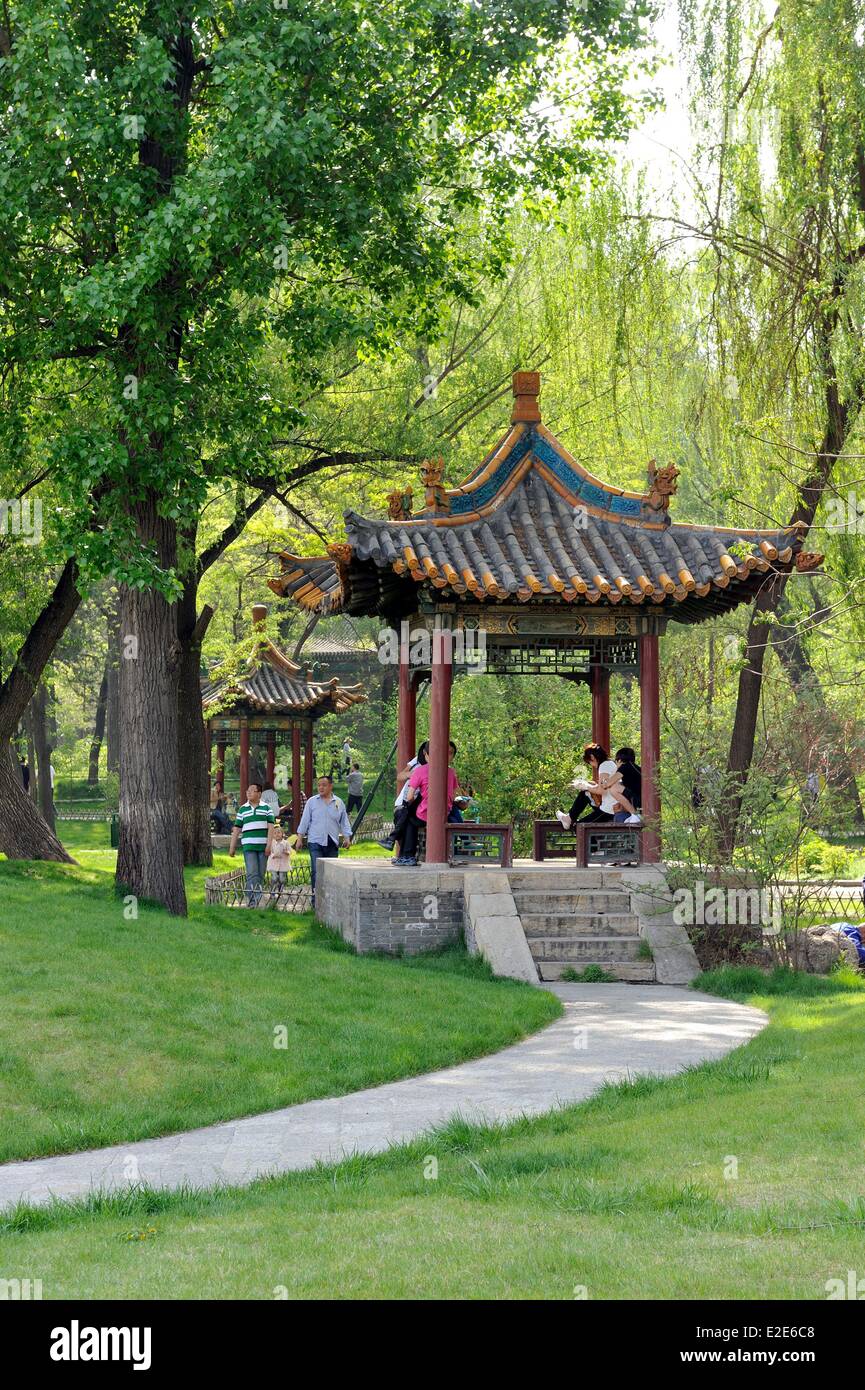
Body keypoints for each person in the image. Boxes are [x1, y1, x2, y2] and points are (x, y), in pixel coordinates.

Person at [297, 774, 352, 905]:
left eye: (324, 785)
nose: (321, 787)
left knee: (332, 871)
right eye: (319, 785)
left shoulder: (338, 802)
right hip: (315, 841)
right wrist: (299, 838)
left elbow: (344, 821)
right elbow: (305, 820)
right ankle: (316, 901)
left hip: (332, 841)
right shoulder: (312, 801)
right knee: (317, 870)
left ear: (330, 786)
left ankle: (330, 900)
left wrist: (347, 837)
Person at [398, 748, 459, 866]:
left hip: (426, 815)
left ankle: (408, 855)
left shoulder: (420, 770)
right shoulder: (451, 772)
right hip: (446, 813)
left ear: (426, 754)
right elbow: (454, 795)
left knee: (408, 819)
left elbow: (409, 796)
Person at [555, 744, 637, 828]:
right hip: (614, 807)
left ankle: (569, 818)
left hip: (609, 810)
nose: (591, 765)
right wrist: (588, 785)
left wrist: (585, 786)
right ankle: (569, 817)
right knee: (585, 793)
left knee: (579, 827)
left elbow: (602, 790)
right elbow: (606, 786)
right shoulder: (611, 764)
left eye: (589, 762)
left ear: (592, 757)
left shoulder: (604, 765)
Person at [228, 782, 276, 906]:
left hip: (263, 847)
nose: (248, 792)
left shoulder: (267, 809)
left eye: (251, 790)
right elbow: (237, 829)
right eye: (247, 791)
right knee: (252, 872)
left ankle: (256, 897)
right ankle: (252, 900)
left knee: (260, 874)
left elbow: (271, 828)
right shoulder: (243, 809)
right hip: (248, 846)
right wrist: (232, 847)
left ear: (259, 793)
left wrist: (269, 845)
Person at [380, 740, 428, 858]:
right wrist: (414, 775)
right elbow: (400, 776)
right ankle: (402, 853)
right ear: (424, 752)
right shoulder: (417, 763)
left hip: (415, 803)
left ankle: (398, 848)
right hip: (403, 802)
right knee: (403, 821)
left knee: (407, 824)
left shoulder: (436, 769)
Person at [612, 747, 642, 824]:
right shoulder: (638, 768)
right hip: (642, 804)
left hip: (638, 803)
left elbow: (609, 784)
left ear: (619, 760)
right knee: (619, 816)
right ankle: (635, 815)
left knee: (613, 788)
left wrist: (603, 783)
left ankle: (635, 815)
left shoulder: (624, 766)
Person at [266, 826, 295, 897]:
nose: (277, 834)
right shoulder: (271, 843)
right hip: (273, 863)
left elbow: (290, 851)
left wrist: (287, 852)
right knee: (274, 877)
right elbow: (269, 851)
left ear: (282, 834)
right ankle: (272, 892)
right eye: (275, 833)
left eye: (279, 832)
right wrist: (273, 855)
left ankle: (280, 891)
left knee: (282, 879)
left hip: (283, 863)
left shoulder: (286, 843)